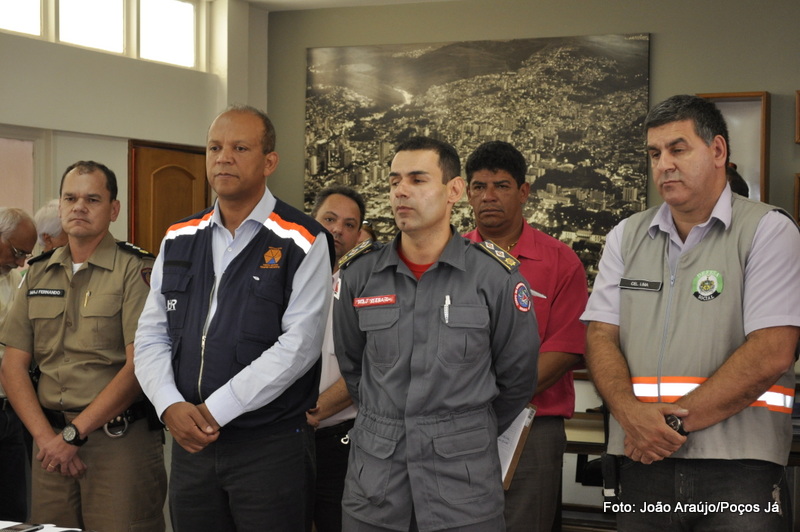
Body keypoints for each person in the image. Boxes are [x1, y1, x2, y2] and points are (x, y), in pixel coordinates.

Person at [582, 94, 800, 531]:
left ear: (717, 151)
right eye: (654, 153)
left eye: (678, 149)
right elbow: (600, 337)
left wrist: (665, 427)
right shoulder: (627, 236)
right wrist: (629, 416)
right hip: (642, 463)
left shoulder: (768, 230)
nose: (663, 164)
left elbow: (773, 351)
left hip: (738, 466)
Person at [134, 104, 334, 532]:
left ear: (269, 162)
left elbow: (298, 347)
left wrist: (214, 410)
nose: (223, 157)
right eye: (214, 147)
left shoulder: (303, 239)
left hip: (269, 448)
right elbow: (151, 336)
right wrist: (169, 406)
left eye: (239, 147)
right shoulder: (179, 237)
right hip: (191, 446)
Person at [333, 136, 539, 532]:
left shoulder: (494, 277)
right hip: (376, 487)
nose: (401, 192)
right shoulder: (360, 273)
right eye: (394, 182)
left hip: (461, 491)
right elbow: (354, 368)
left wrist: (457, 430)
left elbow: (517, 380)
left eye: (417, 179)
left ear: (454, 191)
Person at [0, 162, 167, 531]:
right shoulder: (37, 273)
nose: (79, 207)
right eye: (71, 198)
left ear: (113, 209)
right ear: (60, 207)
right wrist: (50, 440)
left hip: (117, 444)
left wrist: (74, 436)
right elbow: (12, 366)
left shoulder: (136, 270)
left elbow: (140, 366)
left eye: (93, 199)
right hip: (49, 447)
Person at [463, 140, 587, 532]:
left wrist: (494, 398)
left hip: (531, 427)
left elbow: (564, 349)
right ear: (466, 193)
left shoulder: (559, 261)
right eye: (478, 187)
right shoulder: (450, 258)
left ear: (524, 191)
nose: (489, 197)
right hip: (458, 422)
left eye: (501, 186)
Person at [308, 185, 365, 532]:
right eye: (329, 219)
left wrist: (309, 414)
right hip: (280, 441)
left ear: (358, 235)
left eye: (349, 224)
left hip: (340, 441)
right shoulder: (281, 281)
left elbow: (364, 370)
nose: (337, 230)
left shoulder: (365, 290)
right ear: (311, 220)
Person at [0, 207, 36, 522]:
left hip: (10, 410)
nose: (21, 262)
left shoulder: (14, 280)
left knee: (14, 510)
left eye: (26, 254)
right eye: (17, 251)